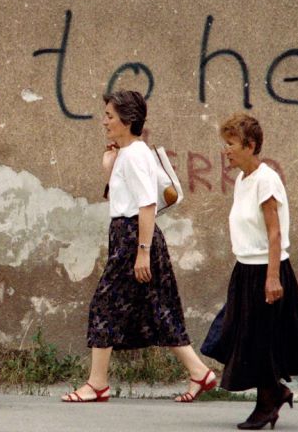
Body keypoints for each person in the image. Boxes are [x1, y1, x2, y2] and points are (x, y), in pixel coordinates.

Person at [61, 90, 217, 403]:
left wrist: (141, 252)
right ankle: (200, 373)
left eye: (109, 116)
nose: (104, 121)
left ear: (127, 120)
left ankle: (97, 384)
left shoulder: (134, 155)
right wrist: (109, 166)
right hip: (131, 235)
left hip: (134, 237)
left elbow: (146, 205)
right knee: (159, 308)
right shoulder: (128, 153)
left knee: (103, 306)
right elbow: (126, 198)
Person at [204, 112, 298, 429]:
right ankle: (275, 393)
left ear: (250, 145)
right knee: (245, 338)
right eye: (225, 143)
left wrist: (272, 277)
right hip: (245, 270)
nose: (226, 150)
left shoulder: (266, 179)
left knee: (260, 342)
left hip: (266, 271)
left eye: (231, 144)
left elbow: (274, 233)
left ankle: (267, 402)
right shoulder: (243, 180)